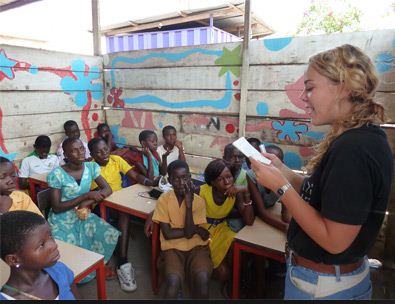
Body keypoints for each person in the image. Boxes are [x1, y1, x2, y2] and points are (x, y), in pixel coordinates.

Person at [250, 44, 393, 300]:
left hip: (323, 288)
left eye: (310, 87)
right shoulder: (358, 138)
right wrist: (285, 172)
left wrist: (281, 187)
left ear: (342, 87)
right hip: (329, 282)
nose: (304, 96)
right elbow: (331, 194)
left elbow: (334, 240)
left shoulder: (355, 149)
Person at [88, 137, 159, 292]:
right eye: (99, 152)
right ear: (92, 154)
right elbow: (93, 192)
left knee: (125, 211)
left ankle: (122, 261)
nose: (104, 153)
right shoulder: (90, 167)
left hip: (119, 201)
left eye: (105, 149)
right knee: (124, 213)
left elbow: (134, 175)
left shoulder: (116, 159)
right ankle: (123, 262)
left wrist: (149, 182)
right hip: (101, 204)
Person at [47, 137, 121, 283]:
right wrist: (85, 197)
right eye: (73, 150)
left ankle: (100, 265)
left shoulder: (91, 168)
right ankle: (75, 275)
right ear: (66, 155)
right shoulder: (57, 174)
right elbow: (56, 208)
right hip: (62, 219)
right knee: (65, 250)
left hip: (82, 213)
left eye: (81, 148)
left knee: (109, 232)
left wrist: (86, 202)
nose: (80, 152)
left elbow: (107, 189)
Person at [152, 160, 212, 298]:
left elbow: (189, 235)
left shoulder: (198, 201)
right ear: (170, 180)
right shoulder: (164, 199)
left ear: (190, 177)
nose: (181, 183)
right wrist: (195, 230)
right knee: (173, 283)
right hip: (172, 249)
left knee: (202, 279)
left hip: (197, 248)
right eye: (176, 179)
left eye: (185, 178)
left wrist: (189, 205)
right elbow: (168, 234)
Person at [199, 159, 254, 298]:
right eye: (220, 179)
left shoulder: (235, 192)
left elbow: (249, 220)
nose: (227, 182)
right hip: (202, 230)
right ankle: (223, 275)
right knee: (222, 272)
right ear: (212, 182)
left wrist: (245, 191)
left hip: (221, 228)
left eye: (229, 177)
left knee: (238, 245)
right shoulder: (201, 191)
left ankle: (232, 282)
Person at [0, 211, 78, 300]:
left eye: (50, 236)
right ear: (14, 260)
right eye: (41, 245)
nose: (53, 245)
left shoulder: (60, 270)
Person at [245, 140, 291, 232]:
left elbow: (286, 215)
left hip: (270, 211)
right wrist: (286, 228)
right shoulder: (252, 175)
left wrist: (290, 226)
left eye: (273, 162)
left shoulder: (285, 178)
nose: (269, 165)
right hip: (253, 213)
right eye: (265, 161)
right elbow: (260, 211)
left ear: (282, 164)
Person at [222, 144, 248, 233]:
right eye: (232, 157)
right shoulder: (217, 174)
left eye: (240, 157)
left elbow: (247, 208)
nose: (237, 160)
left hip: (236, 218)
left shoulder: (246, 176)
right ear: (224, 158)